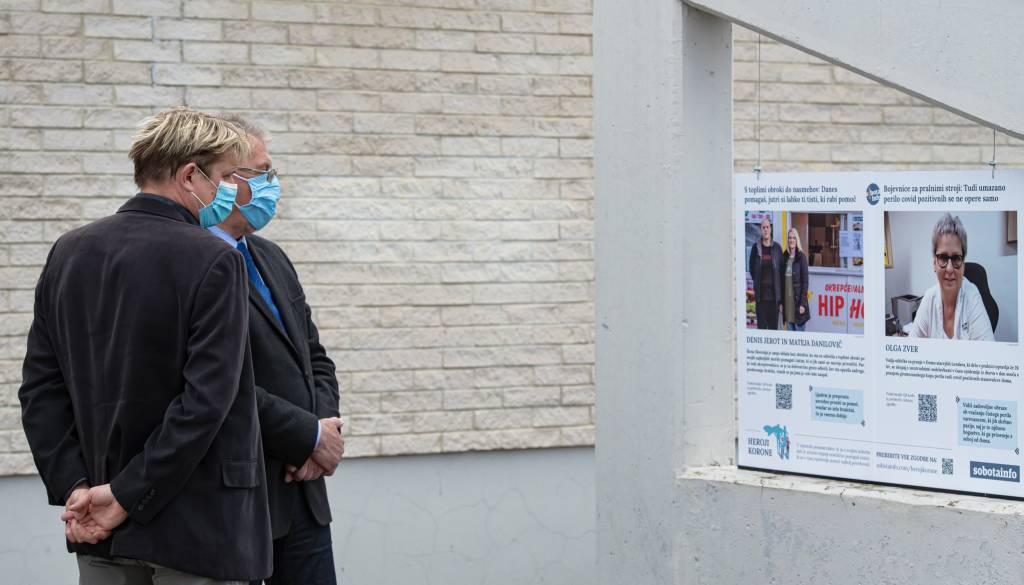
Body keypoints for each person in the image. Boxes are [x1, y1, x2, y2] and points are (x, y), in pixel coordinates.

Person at [19, 107, 272, 583]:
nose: (231, 192)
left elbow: (40, 390)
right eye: (224, 178)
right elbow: (206, 401)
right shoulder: (214, 258)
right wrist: (125, 495)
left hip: (96, 523)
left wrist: (77, 487)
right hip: (195, 529)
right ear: (190, 176)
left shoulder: (68, 250)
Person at [208, 115, 343, 585]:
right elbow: (220, 384)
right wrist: (306, 436)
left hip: (303, 491)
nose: (273, 183)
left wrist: (321, 433)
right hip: (238, 498)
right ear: (224, 181)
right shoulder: (193, 264)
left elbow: (314, 358)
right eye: (262, 172)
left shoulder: (270, 256)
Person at [909, 213, 995, 341]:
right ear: (934, 264)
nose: (949, 269)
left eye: (956, 258)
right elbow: (912, 345)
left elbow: (988, 350)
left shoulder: (972, 296)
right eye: (943, 257)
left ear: (963, 264)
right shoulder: (929, 299)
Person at [748, 217, 783, 329]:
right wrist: (758, 282)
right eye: (763, 227)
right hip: (761, 299)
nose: (765, 229)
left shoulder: (777, 248)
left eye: (767, 227)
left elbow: (781, 273)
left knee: (773, 331)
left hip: (774, 299)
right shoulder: (756, 247)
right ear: (761, 230)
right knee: (761, 330)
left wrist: (781, 300)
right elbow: (752, 268)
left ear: (770, 229)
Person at [781, 227, 810, 331]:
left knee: (799, 338)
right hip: (788, 306)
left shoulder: (802, 257)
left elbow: (805, 282)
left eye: (794, 238)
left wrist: (803, 304)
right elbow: (782, 282)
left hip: (798, 305)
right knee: (790, 338)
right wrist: (781, 303)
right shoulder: (784, 257)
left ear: (797, 240)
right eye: (789, 238)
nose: (791, 240)